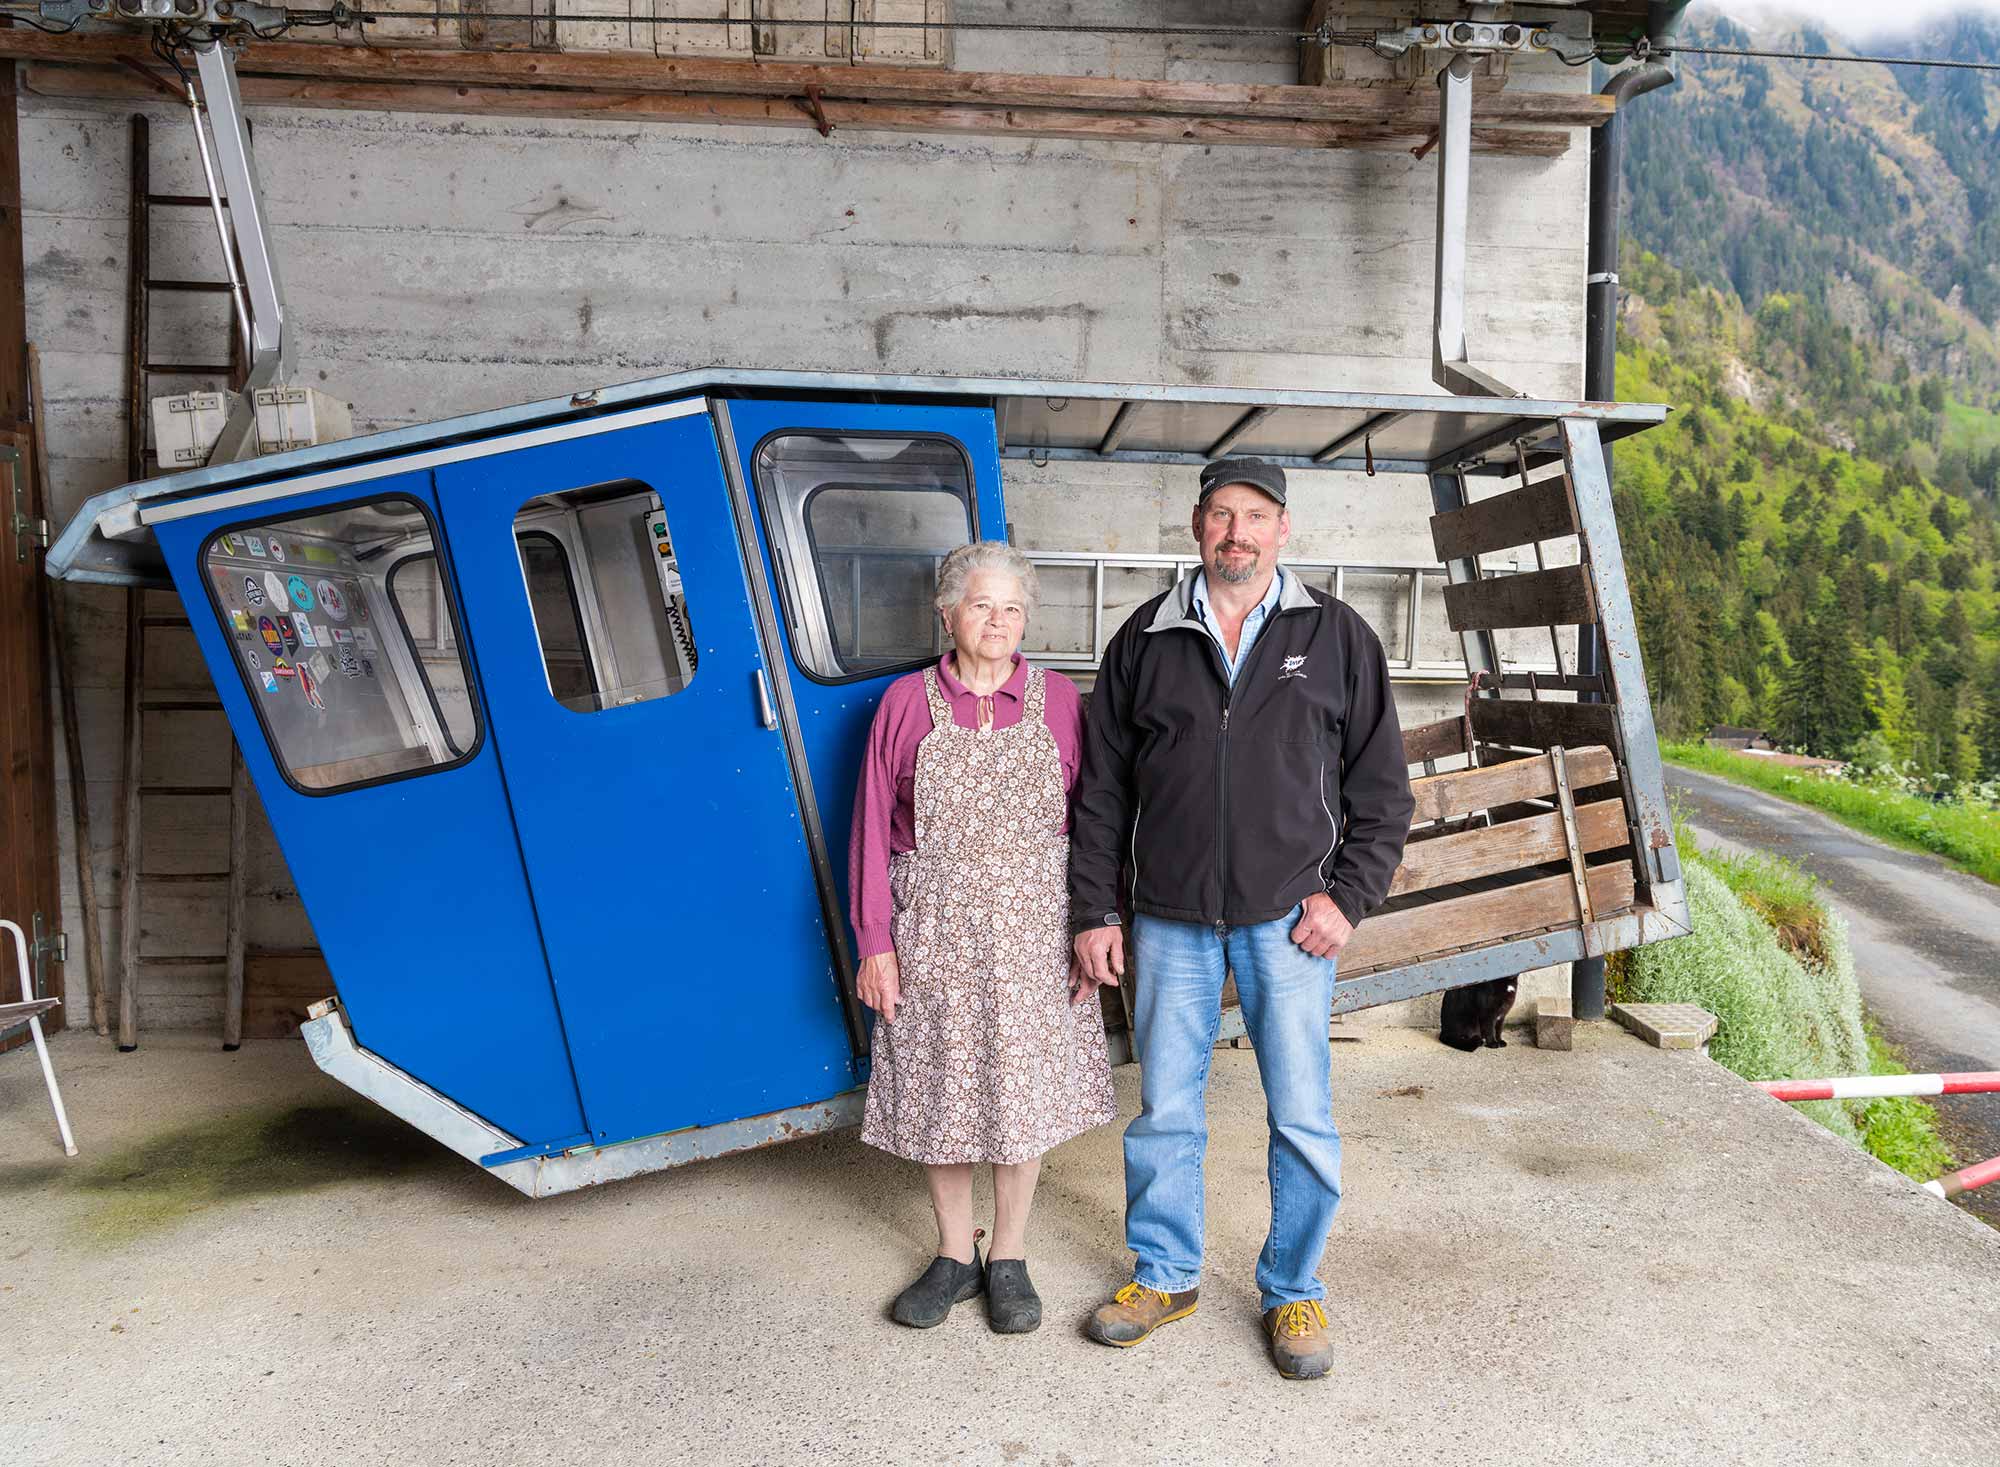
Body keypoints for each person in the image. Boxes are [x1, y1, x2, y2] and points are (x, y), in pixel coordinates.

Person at [1069, 456, 1414, 1380]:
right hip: (1169, 919)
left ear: (1283, 529)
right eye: (1222, 515)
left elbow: (1383, 790)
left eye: (1255, 516)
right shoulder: (1145, 637)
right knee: (1165, 1109)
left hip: (1286, 920)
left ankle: (1294, 1285)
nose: (1237, 532)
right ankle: (1168, 1271)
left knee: (1302, 1113)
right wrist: (1097, 907)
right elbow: (1100, 792)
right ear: (1195, 525)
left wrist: (1348, 897)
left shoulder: (1337, 636)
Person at [849, 540, 1117, 1335]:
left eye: (1010, 607)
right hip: (931, 931)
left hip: (1035, 932)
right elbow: (868, 829)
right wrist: (875, 941)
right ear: (947, 614)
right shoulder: (903, 704)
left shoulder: (1062, 701)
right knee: (942, 1088)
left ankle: (1008, 1254)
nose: (996, 621)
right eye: (979, 605)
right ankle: (951, 1252)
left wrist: (1090, 925)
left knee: (1020, 1092)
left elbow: (1094, 823)